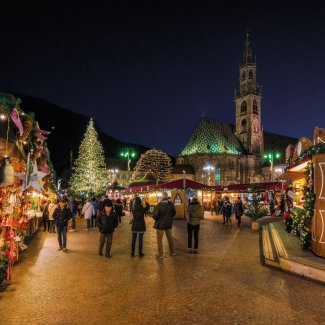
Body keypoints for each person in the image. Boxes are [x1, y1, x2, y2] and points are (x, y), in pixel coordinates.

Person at [153, 191, 176, 258]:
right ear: (167, 197)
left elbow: (155, 216)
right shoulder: (171, 204)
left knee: (159, 239)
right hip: (168, 224)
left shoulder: (158, 205)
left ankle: (160, 254)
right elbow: (174, 213)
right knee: (170, 238)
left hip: (160, 225)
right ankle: (172, 252)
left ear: (162, 197)